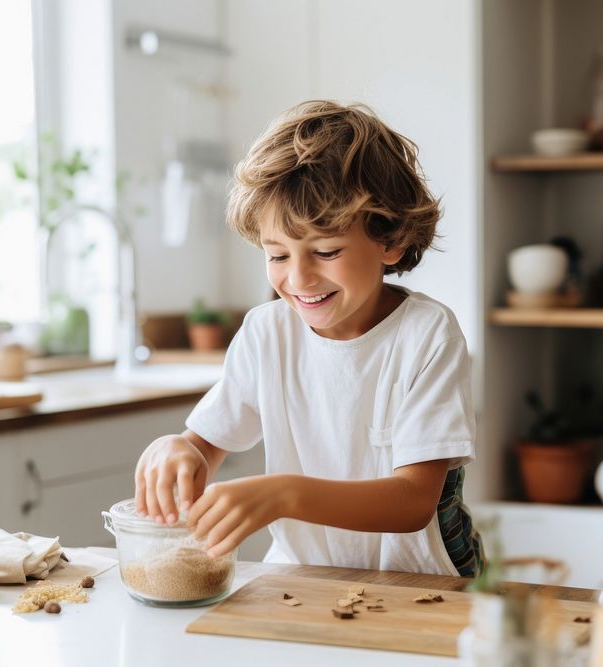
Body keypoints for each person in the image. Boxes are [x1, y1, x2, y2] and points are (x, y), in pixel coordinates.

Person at [134, 100, 482, 576]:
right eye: (277, 255)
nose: (298, 278)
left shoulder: (427, 336)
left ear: (390, 241)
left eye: (326, 250)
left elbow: (412, 502)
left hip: (423, 582)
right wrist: (178, 448)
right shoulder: (266, 333)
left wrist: (283, 494)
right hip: (302, 576)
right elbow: (205, 444)